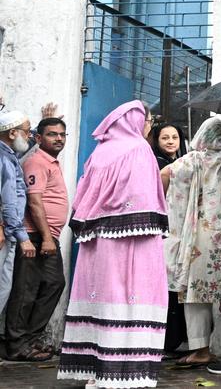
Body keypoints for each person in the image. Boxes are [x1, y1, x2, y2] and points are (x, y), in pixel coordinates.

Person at [56, 101, 169, 388]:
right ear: (134, 121)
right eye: (148, 121)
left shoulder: (99, 153)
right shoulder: (138, 150)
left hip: (97, 244)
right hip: (133, 243)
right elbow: (143, 199)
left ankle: (96, 372)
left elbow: (81, 199)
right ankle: (122, 374)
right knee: (129, 298)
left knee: (102, 303)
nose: (149, 127)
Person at [159, 117, 221, 368]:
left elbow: (166, 173)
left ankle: (201, 349)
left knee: (195, 293)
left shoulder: (195, 159)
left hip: (200, 236)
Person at [6, 115, 69, 361]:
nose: (59, 139)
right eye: (53, 134)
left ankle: (30, 339)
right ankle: (16, 344)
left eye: (62, 134)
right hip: (35, 235)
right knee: (26, 290)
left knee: (53, 284)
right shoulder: (36, 162)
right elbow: (34, 202)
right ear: (38, 137)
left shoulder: (51, 161)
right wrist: (45, 238)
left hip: (47, 235)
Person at [149, 121, 188, 353]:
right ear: (157, 140)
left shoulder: (183, 163)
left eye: (175, 137)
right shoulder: (156, 165)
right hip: (164, 231)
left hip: (182, 230)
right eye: (165, 137)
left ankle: (174, 338)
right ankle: (164, 340)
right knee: (165, 285)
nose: (171, 141)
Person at [0, 108, 30, 320]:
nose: (30, 136)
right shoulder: (3, 159)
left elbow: (21, 147)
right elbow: (9, 201)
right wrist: (23, 237)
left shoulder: (9, 154)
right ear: (12, 133)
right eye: (27, 132)